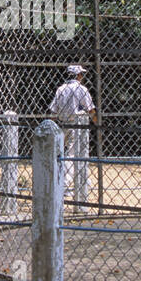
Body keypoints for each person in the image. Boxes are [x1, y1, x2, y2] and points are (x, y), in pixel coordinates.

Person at [49, 65, 96, 201]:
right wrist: (97, 123)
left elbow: (53, 111)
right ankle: (66, 185)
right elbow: (90, 109)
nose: (82, 76)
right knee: (74, 154)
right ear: (77, 75)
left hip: (62, 124)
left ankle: (82, 179)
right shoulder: (81, 89)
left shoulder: (60, 89)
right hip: (77, 125)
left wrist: (52, 126)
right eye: (81, 74)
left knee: (64, 153)